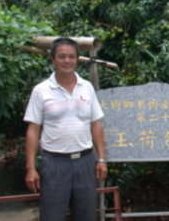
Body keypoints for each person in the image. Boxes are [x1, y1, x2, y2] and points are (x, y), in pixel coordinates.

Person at [24, 37, 108, 221]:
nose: (67, 61)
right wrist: (31, 167)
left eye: (71, 56)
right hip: (54, 163)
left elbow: (96, 123)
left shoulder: (87, 87)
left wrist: (101, 158)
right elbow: (33, 129)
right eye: (61, 56)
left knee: (86, 215)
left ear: (77, 59)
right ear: (53, 59)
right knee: (52, 216)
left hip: (85, 162)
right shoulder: (41, 90)